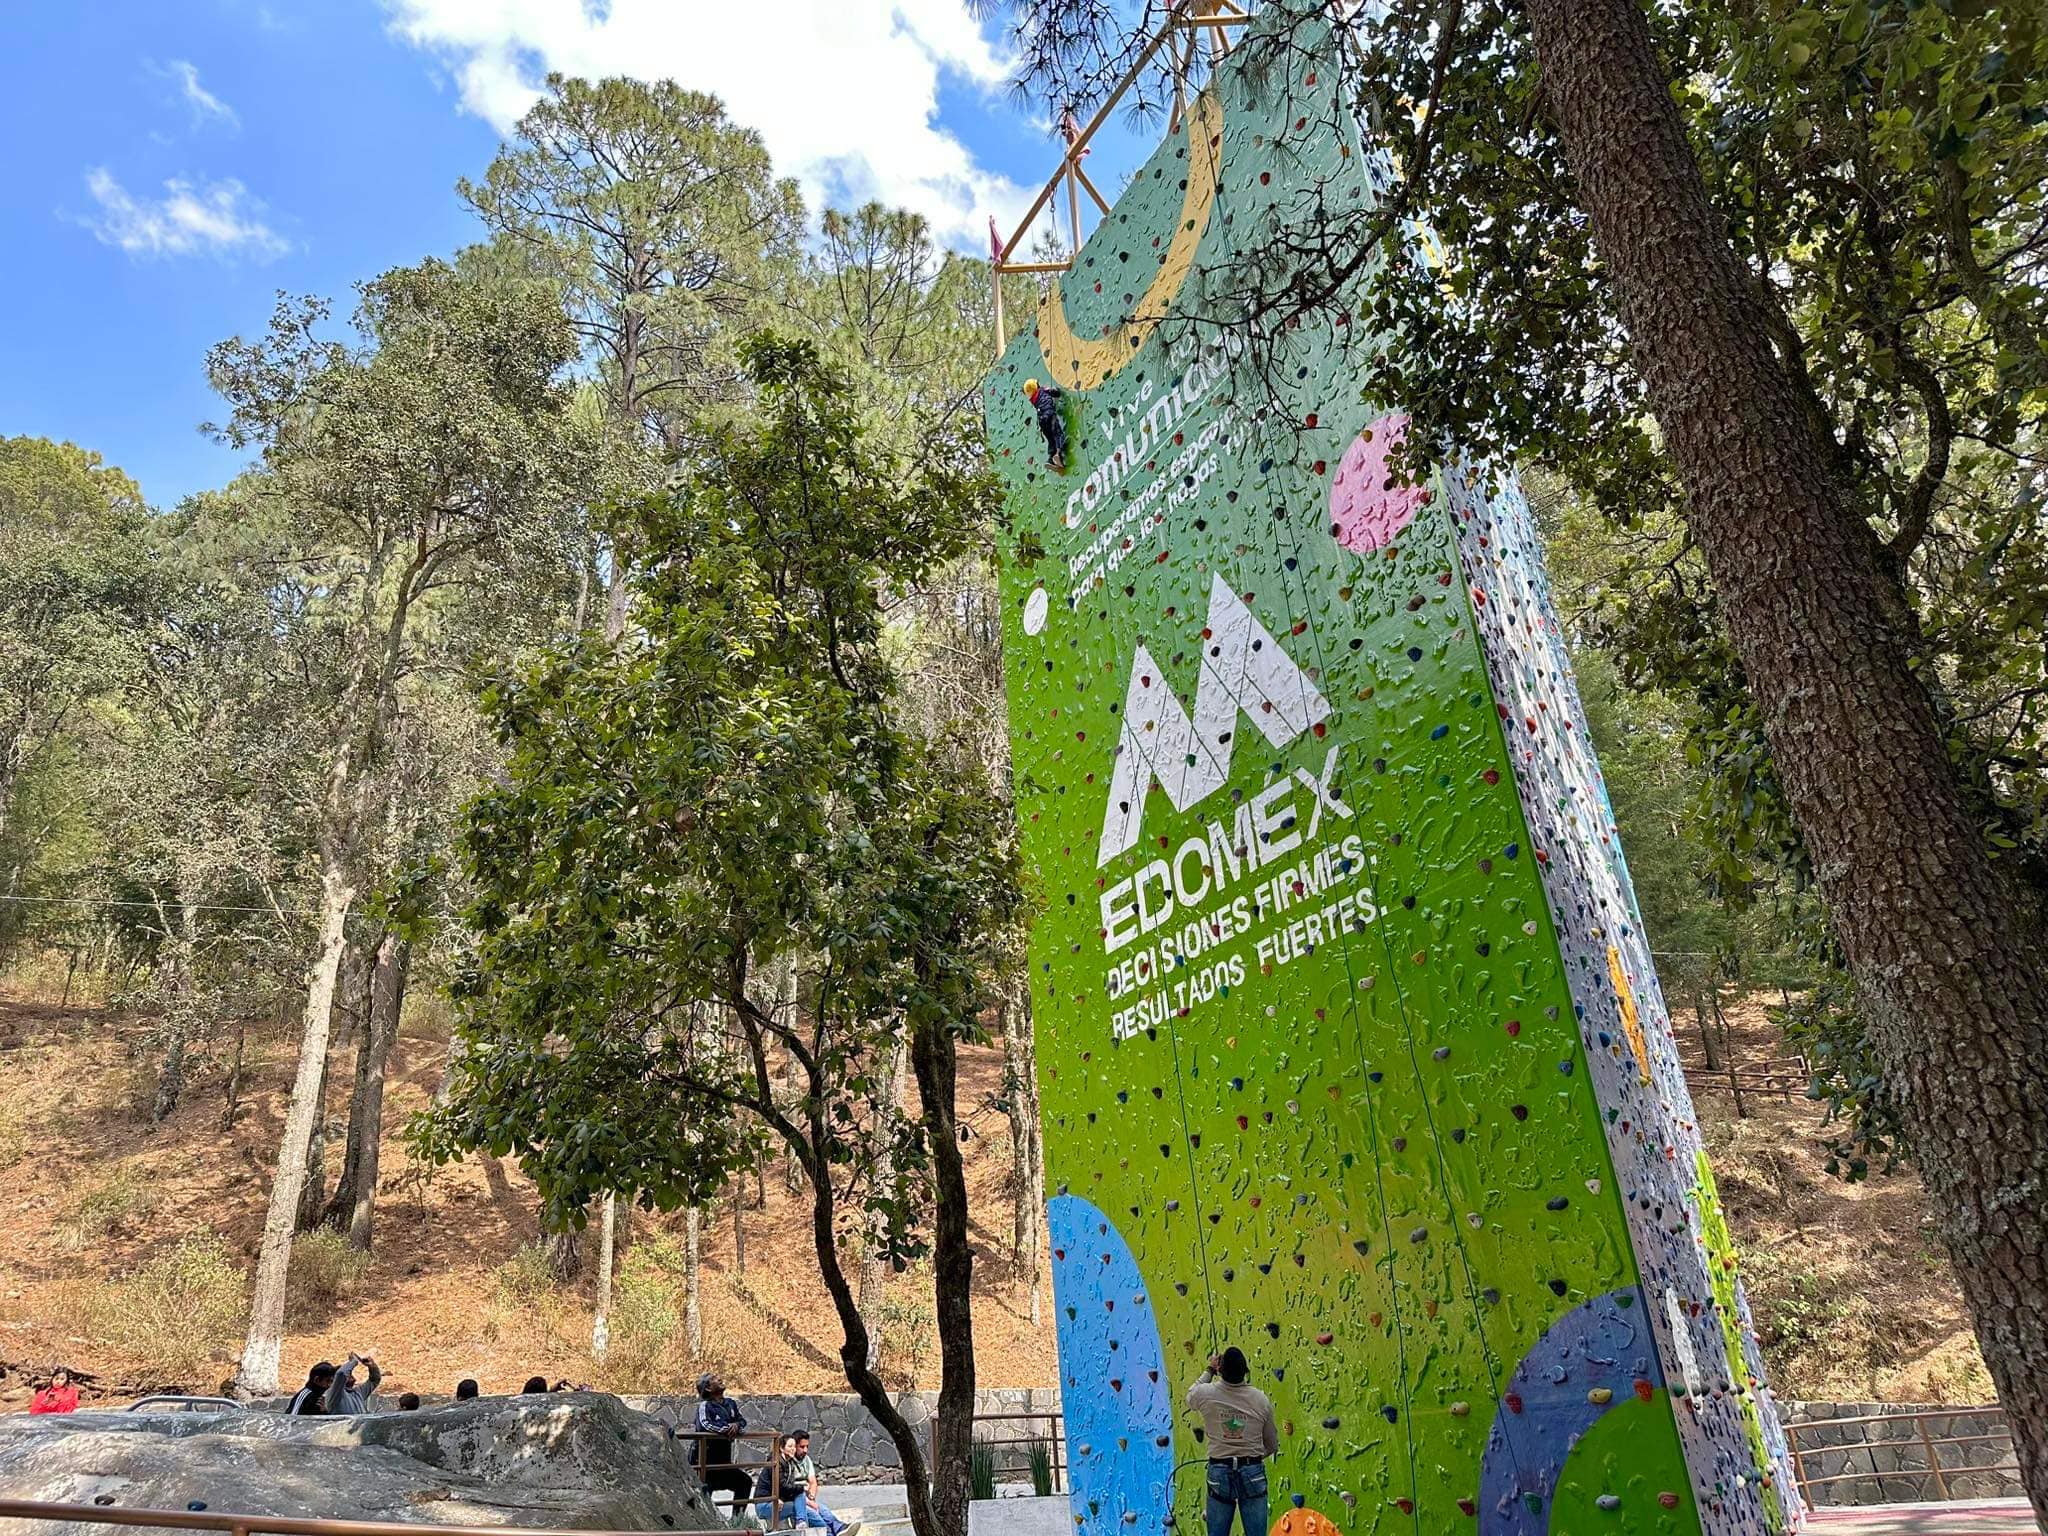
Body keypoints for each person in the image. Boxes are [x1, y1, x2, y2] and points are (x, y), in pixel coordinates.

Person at [1185, 1347, 1276, 1536]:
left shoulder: (1206, 1394)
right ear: (1245, 1371)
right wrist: (1251, 1457)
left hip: (1219, 1470)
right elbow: (1272, 1445)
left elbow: (1190, 1397)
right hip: (1252, 1471)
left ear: (1220, 1370)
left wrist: (1209, 1369)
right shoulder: (1260, 1399)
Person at [753, 1432, 861, 1536]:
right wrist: (777, 1498)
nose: (793, 1449)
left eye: (794, 1446)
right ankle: (818, 1528)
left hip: (790, 1499)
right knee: (809, 1509)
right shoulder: (777, 1463)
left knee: (821, 1508)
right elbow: (782, 1486)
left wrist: (810, 1497)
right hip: (768, 1504)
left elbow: (810, 1482)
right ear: (782, 1448)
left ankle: (838, 1528)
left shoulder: (788, 1462)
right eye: (791, 1446)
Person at [691, 1374, 753, 1511]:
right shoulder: (705, 1406)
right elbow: (704, 1425)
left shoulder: (731, 1404)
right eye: (713, 1379)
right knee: (702, 1496)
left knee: (745, 1482)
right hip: (704, 1464)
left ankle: (737, 1522)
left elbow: (742, 1421)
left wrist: (736, 1426)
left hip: (723, 1463)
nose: (719, 1379)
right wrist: (727, 1429)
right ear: (707, 1388)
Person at [1023, 378, 1067, 472]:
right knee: (1057, 433)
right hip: (1050, 414)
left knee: (1051, 439)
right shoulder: (1043, 390)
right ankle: (1058, 454)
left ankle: (1051, 459)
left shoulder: (1033, 400)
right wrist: (1055, 390)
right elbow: (1056, 393)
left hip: (1042, 421)